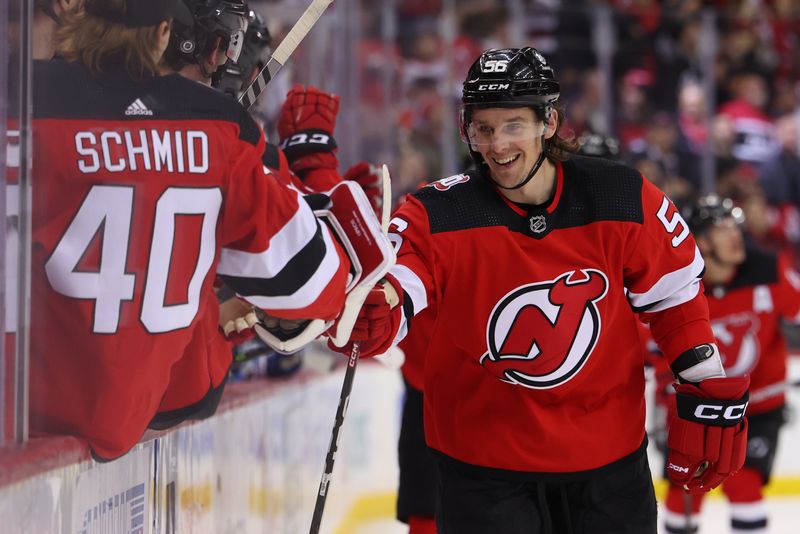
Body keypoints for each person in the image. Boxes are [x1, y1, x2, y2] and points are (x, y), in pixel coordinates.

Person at [329, 47, 750, 533]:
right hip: (484, 474)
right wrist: (371, 313)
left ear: (549, 123)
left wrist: (703, 377)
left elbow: (674, 297)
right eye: (483, 127)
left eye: (514, 125)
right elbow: (400, 291)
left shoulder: (621, 196)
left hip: (608, 470)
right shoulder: (436, 212)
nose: (497, 145)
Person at [28, 0, 359, 461]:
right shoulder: (216, 131)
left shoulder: (20, 99)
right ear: (165, 33)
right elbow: (314, 283)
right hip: (127, 413)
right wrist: (313, 173)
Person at [657, 195, 800, 534]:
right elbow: (648, 344)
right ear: (701, 241)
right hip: (696, 410)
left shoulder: (767, 268)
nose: (735, 236)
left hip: (757, 408)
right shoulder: (677, 284)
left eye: (734, 226)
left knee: (745, 485)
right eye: (722, 229)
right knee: (683, 494)